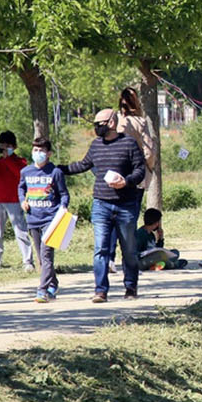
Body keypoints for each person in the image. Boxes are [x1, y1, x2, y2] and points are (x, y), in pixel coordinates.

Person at [65, 108, 146, 302]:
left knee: (128, 248)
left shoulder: (129, 143)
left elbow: (140, 169)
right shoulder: (95, 145)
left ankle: (130, 287)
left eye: (98, 123)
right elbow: (82, 165)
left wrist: (126, 181)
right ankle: (100, 290)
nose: (96, 127)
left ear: (111, 123)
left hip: (126, 205)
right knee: (100, 248)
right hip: (101, 204)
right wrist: (57, 169)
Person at [18, 136, 69, 302]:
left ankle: (42, 290)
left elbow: (64, 194)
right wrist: (22, 201)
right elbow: (21, 188)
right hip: (33, 218)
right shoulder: (26, 172)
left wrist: (63, 208)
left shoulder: (55, 172)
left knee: (46, 254)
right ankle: (53, 282)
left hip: (51, 220)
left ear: (49, 154)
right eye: (35, 150)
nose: (37, 153)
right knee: (41, 257)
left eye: (41, 150)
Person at [0, 130, 34, 273]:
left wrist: (8, 159)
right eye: (2, 146)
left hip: (15, 200)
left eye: (8, 146)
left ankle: (28, 261)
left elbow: (20, 174)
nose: (5, 149)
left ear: (14, 147)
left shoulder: (20, 162)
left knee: (21, 232)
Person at [117, 87, 155, 196]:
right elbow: (149, 152)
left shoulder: (114, 120)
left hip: (115, 170)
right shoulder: (141, 122)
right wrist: (149, 167)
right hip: (135, 172)